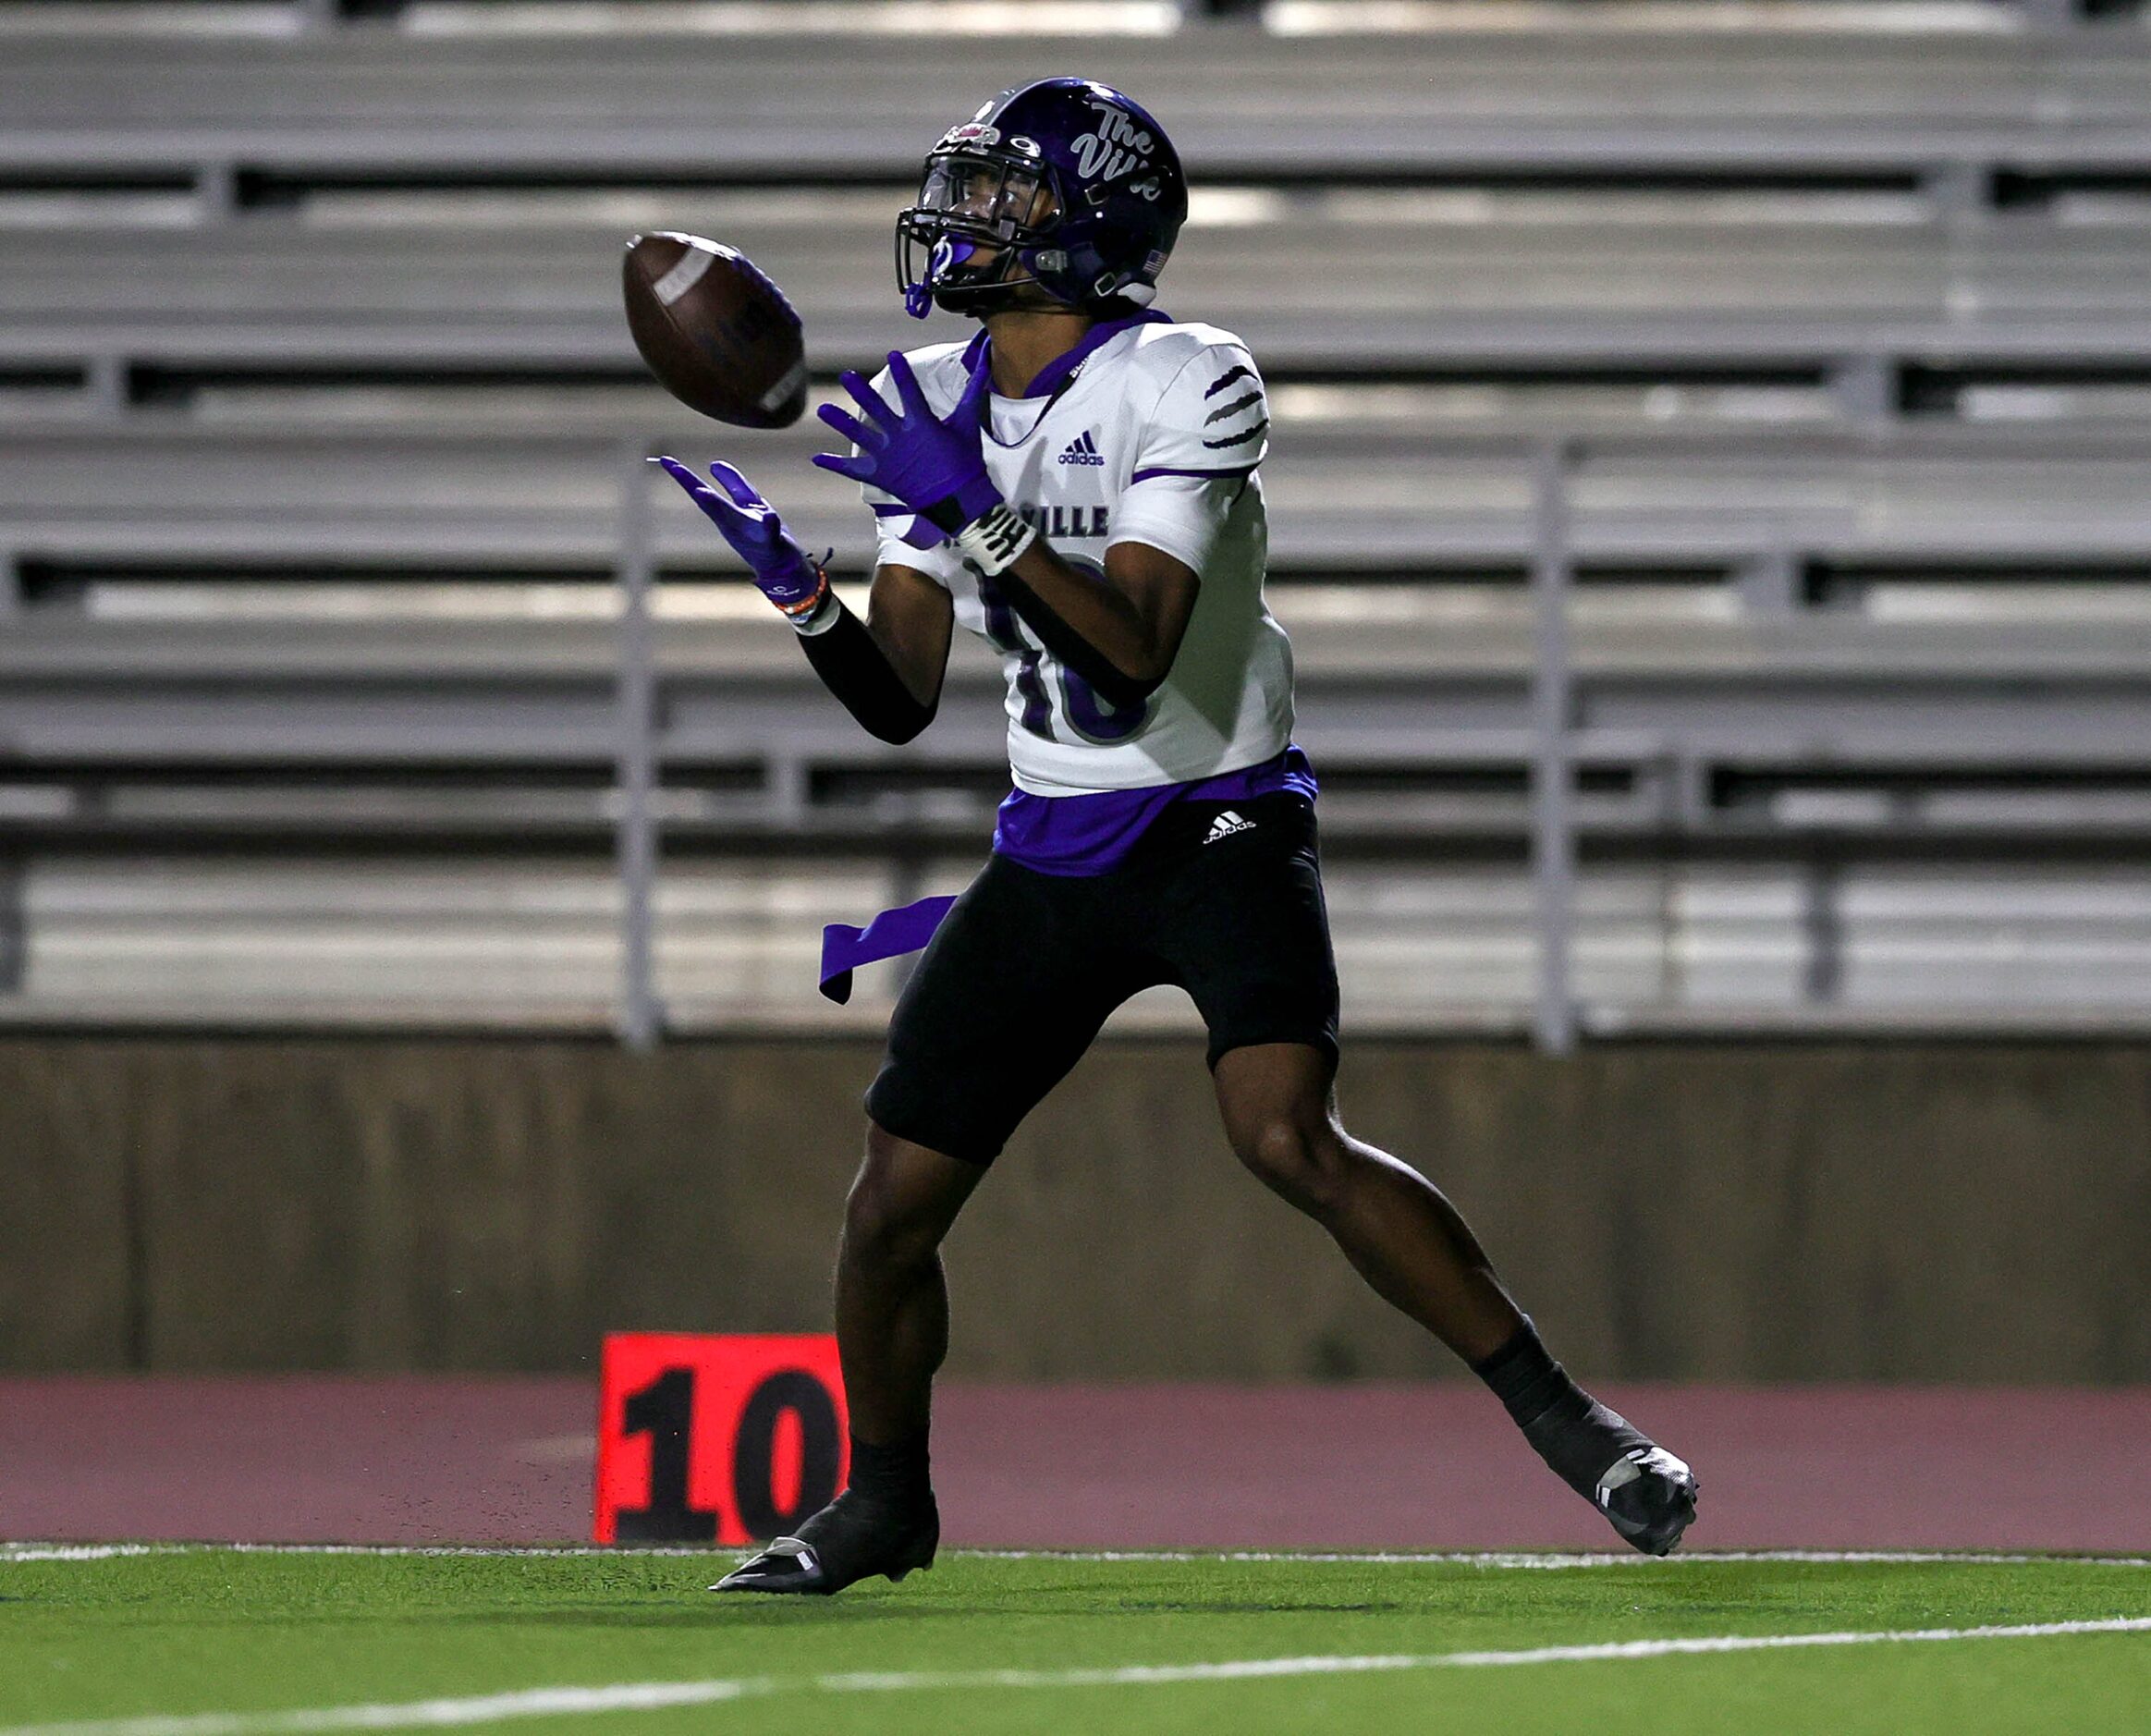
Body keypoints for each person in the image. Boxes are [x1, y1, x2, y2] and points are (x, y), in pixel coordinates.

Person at [658, 78, 1697, 1595]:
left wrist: (987, 518)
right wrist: (804, 596)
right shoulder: (933, 397)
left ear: (1093, 226)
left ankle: (1576, 1424)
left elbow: (1135, 650)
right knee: (889, 1207)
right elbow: (900, 698)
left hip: (1218, 812)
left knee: (1285, 1136)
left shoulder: (1189, 374)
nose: (968, 216)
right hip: (1055, 839)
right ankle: (883, 1504)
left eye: (1008, 194)